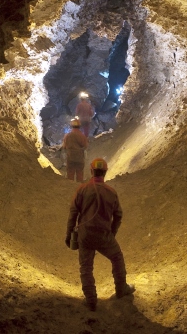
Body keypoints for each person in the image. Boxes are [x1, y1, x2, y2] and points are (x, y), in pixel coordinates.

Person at [65, 158, 135, 311]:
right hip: (104, 235)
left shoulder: (82, 190)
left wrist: (69, 234)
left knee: (86, 267)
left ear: (91, 171)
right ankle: (121, 289)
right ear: (105, 172)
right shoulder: (111, 192)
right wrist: (112, 233)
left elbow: (73, 214)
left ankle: (91, 301)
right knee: (117, 258)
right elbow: (118, 215)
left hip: (85, 235)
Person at [62, 118, 89, 182]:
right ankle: (79, 186)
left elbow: (64, 146)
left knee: (70, 172)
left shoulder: (67, 136)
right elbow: (85, 146)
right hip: (79, 157)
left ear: (71, 126)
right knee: (79, 172)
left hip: (70, 157)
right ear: (79, 126)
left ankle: (70, 185)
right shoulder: (82, 136)